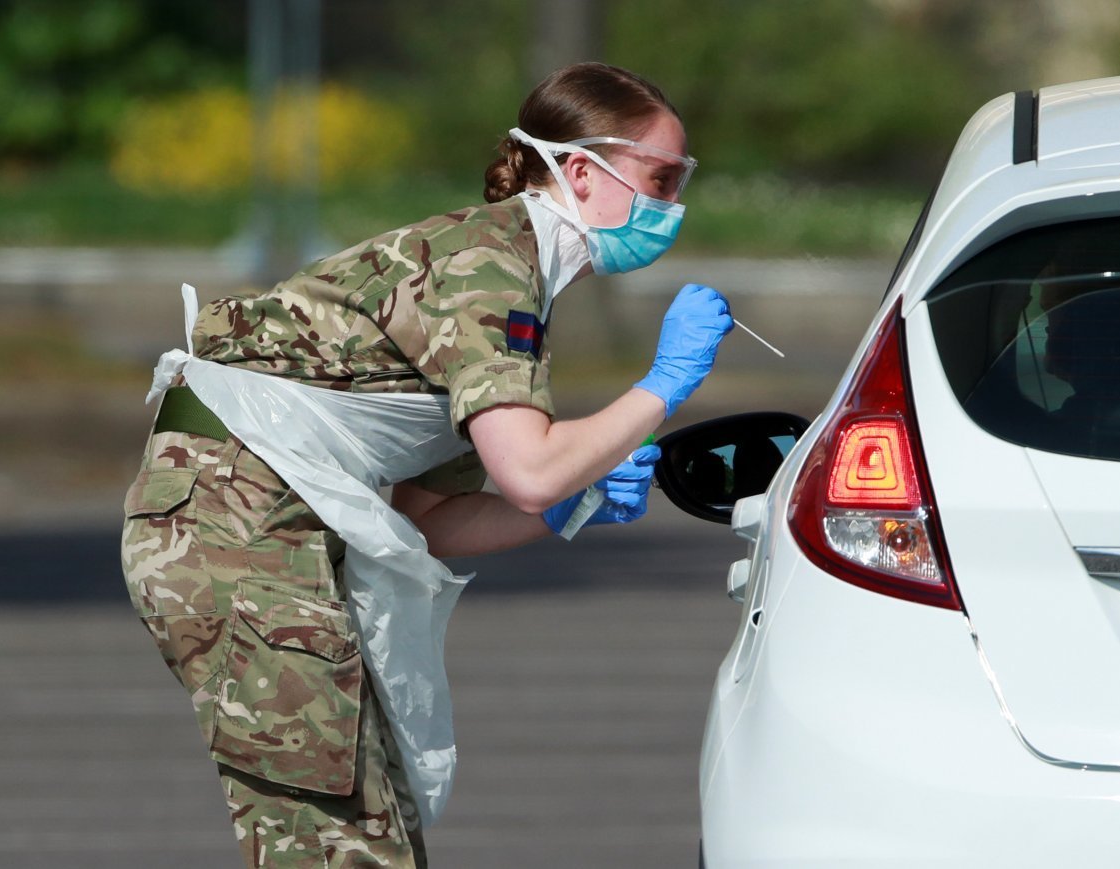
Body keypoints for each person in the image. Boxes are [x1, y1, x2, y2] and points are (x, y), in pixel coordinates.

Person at [119, 61, 733, 868]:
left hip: (248, 529)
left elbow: (426, 520)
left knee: (375, 826)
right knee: (338, 841)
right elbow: (531, 467)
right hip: (234, 530)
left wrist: (561, 508)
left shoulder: (510, 277)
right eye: (661, 177)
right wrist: (662, 387)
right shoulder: (489, 267)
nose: (673, 206)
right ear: (582, 171)